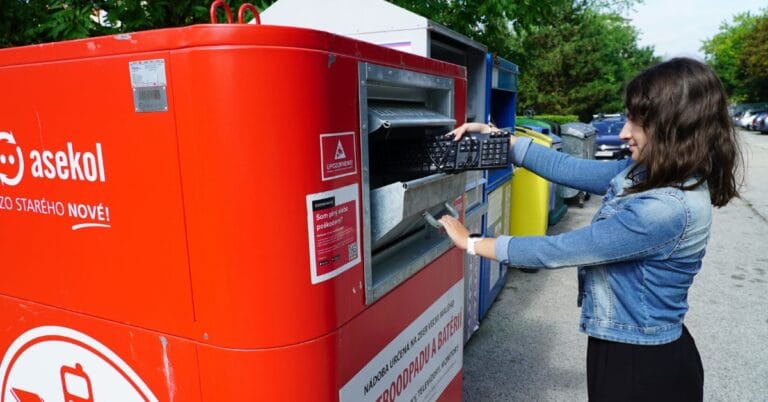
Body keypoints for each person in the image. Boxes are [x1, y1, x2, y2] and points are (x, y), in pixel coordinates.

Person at [439, 57, 742, 401]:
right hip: (627, 347)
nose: (625, 132)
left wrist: (473, 243)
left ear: (677, 128)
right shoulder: (649, 173)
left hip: (643, 368)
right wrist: (503, 140)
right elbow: (570, 168)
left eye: (638, 121)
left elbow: (561, 249)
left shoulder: (665, 209)